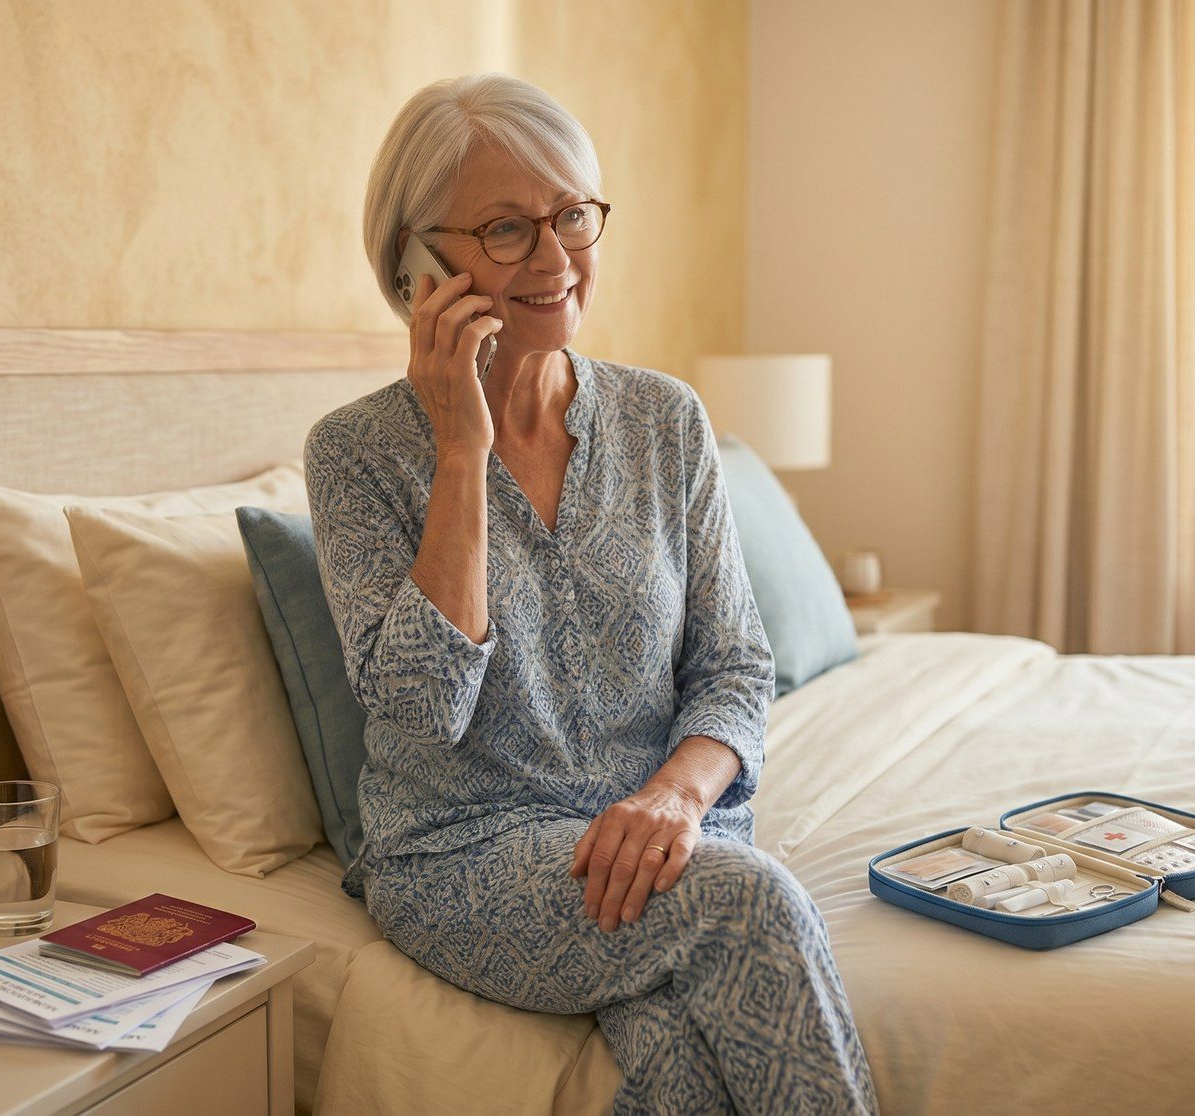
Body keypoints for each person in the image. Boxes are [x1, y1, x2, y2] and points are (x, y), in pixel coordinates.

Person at [305, 72, 878, 1115]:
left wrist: (676, 795)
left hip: (658, 833)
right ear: (416, 266)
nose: (556, 258)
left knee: (687, 1071)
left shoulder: (667, 419)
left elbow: (735, 665)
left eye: (572, 215)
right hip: (464, 853)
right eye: (505, 229)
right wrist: (460, 451)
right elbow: (418, 715)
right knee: (749, 909)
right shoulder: (354, 454)